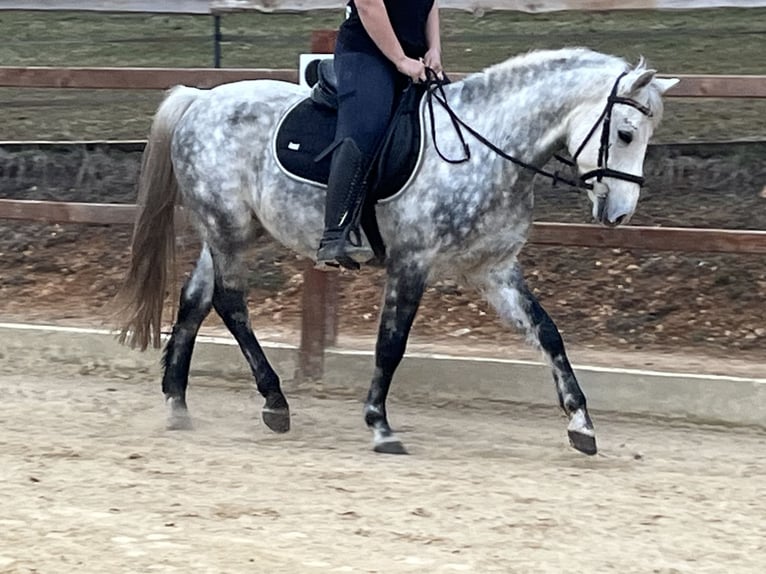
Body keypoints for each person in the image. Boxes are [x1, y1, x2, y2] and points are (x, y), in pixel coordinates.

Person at [316, 0, 443, 269]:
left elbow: (429, 4)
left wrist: (434, 49)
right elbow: (368, 4)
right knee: (366, 127)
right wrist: (400, 60)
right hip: (367, 54)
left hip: (415, 58)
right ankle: (335, 233)